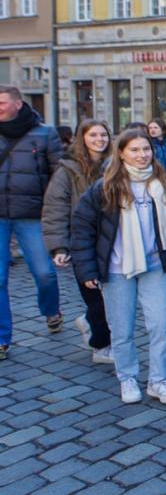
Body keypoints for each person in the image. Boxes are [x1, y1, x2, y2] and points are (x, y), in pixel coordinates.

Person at [70, 128, 166, 404]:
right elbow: (82, 228)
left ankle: (159, 380)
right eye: (134, 150)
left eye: (145, 149)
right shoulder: (105, 187)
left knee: (161, 324)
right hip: (116, 268)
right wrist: (86, 270)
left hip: (155, 266)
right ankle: (128, 377)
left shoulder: (160, 183)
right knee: (121, 328)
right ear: (121, 152)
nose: (142, 155)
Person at [42, 119, 114, 364]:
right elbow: (55, 208)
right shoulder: (67, 170)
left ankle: (89, 322)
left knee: (112, 297)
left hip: (113, 240)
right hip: (83, 242)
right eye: (93, 134)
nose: (99, 139)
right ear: (81, 138)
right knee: (96, 298)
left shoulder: (116, 164)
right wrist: (59, 247)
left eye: (103, 134)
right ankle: (101, 346)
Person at [0, 85, 63, 359]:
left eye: (1, 102)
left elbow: (59, 176)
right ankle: (2, 338)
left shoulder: (44, 133)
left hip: (33, 214)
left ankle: (51, 310)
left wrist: (55, 211)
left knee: (44, 273)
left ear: (17, 104)